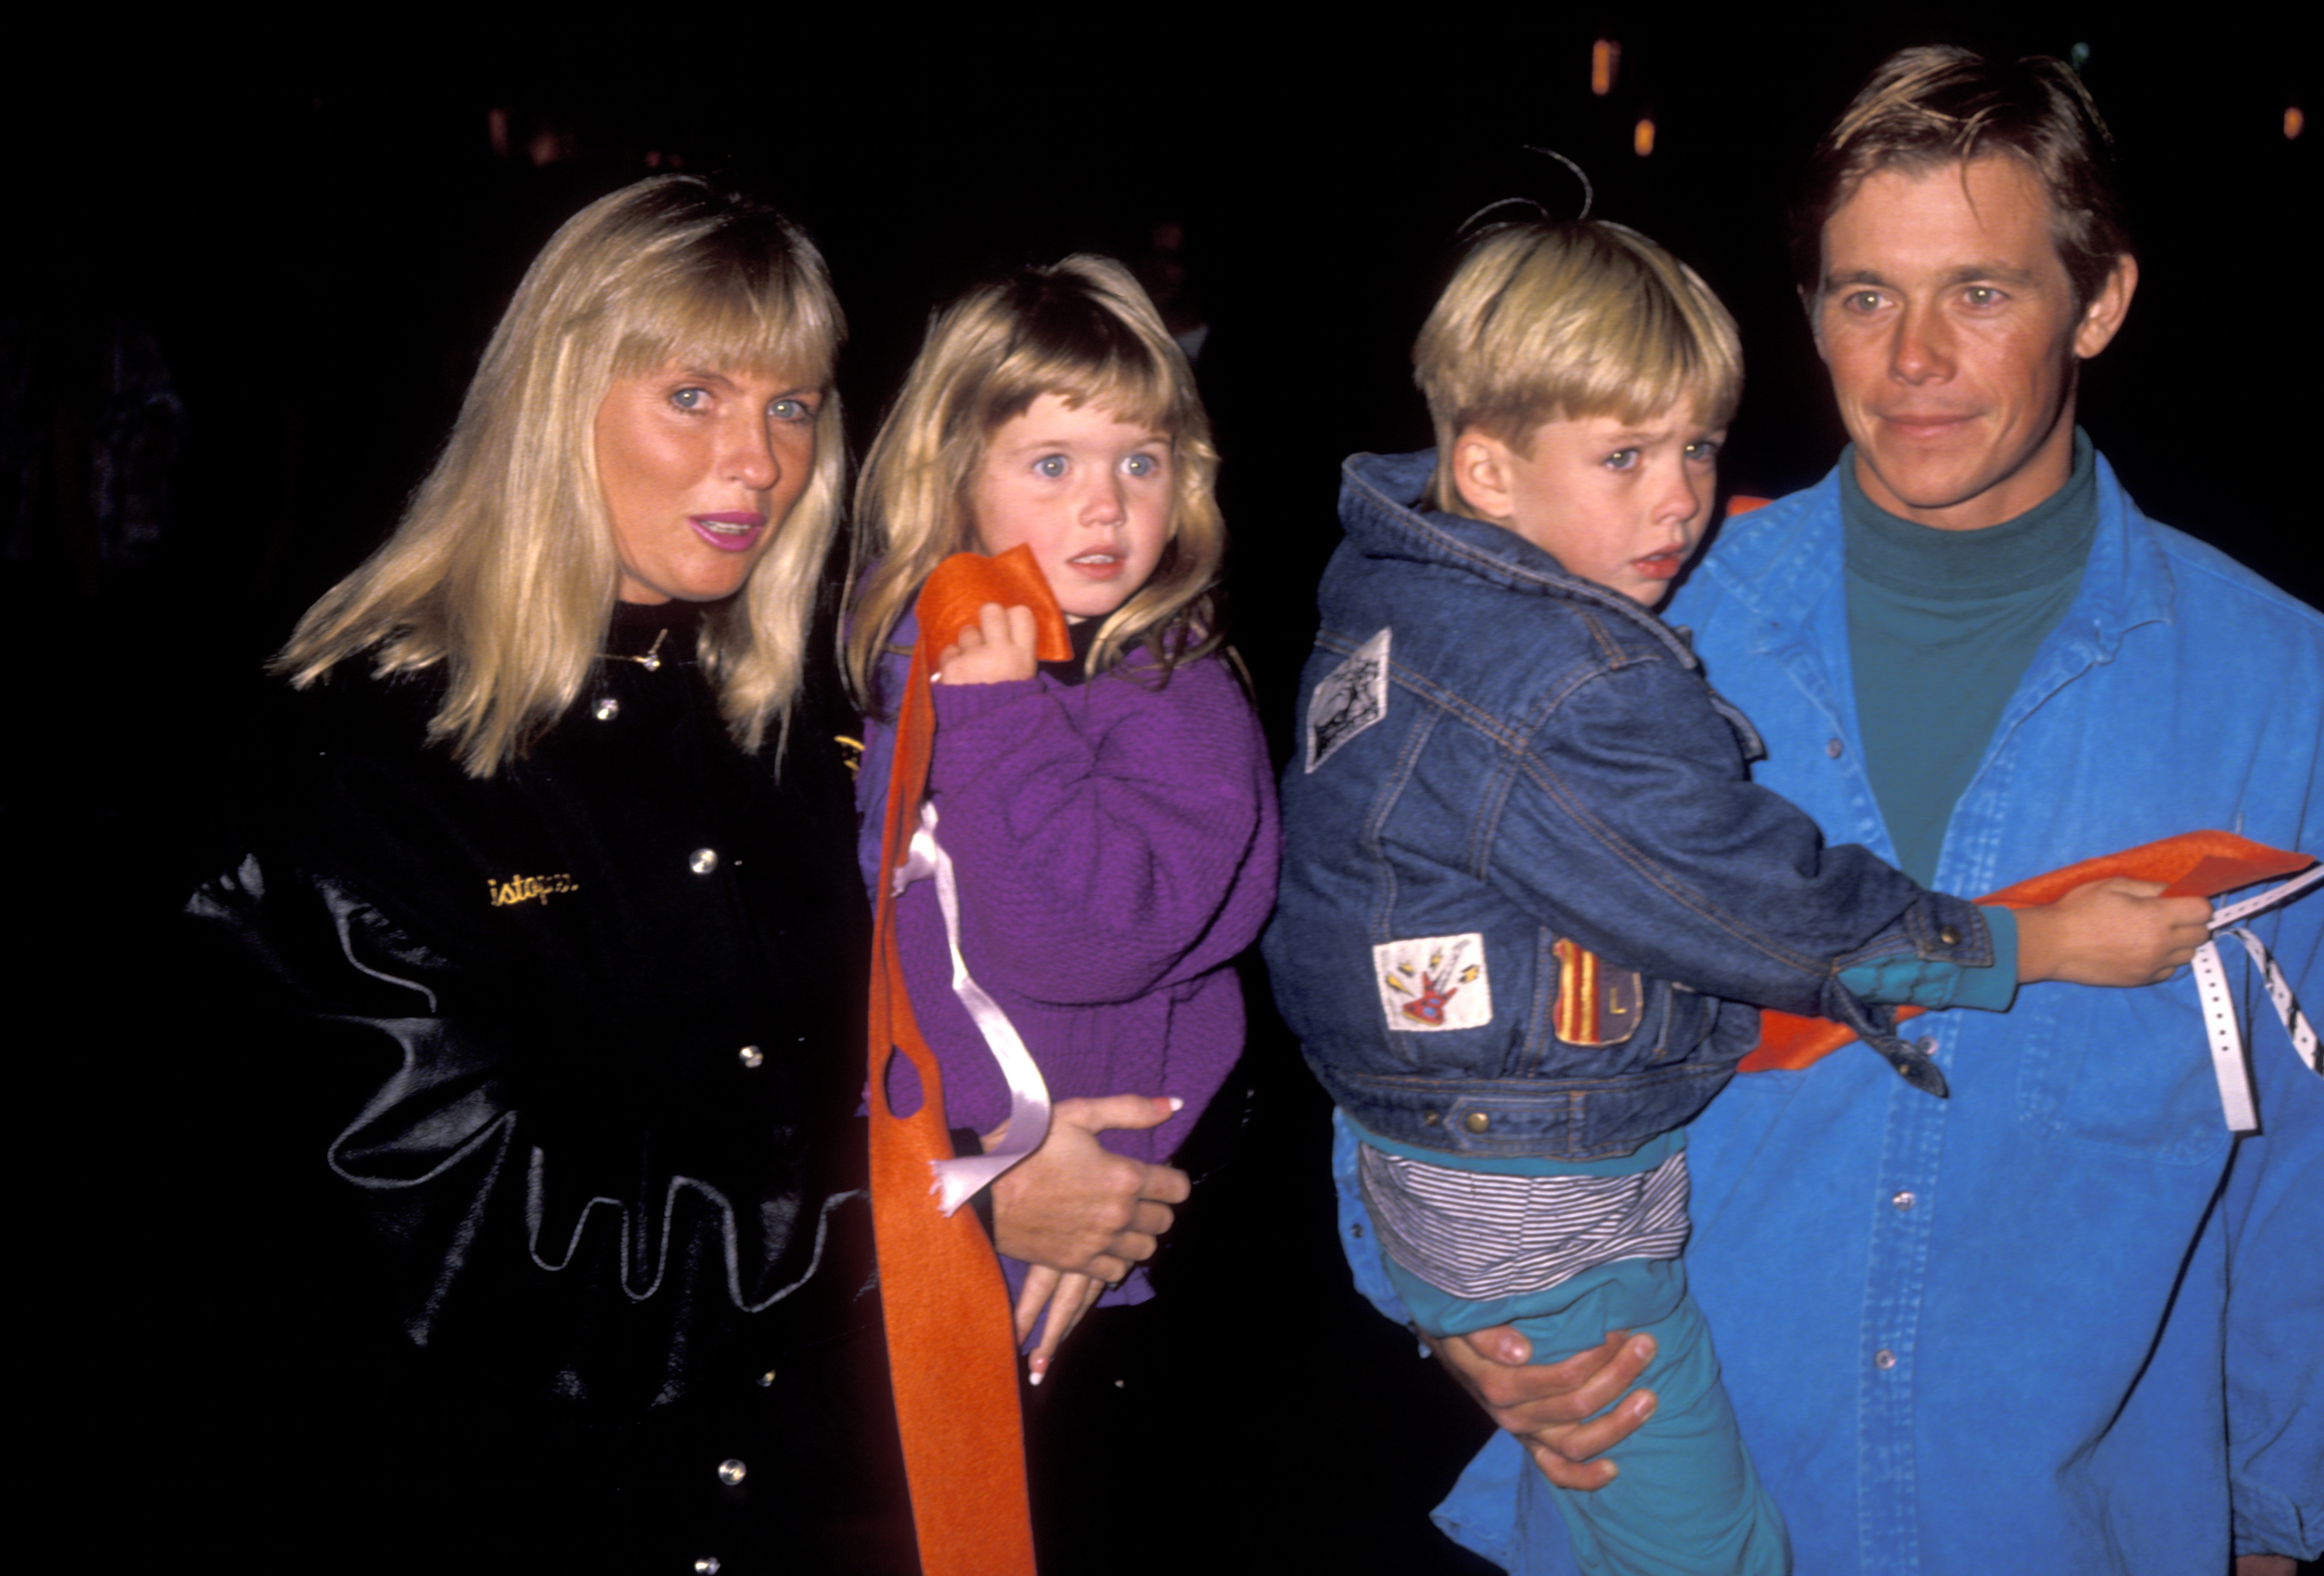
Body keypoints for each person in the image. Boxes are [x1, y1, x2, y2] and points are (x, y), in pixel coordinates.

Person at [1375, 48, 2324, 1576]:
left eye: (1984, 292)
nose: (1912, 358)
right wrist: (1454, 1303)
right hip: (1654, 1498)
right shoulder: (1634, 637)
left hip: (2068, 1532)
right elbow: (1408, 957)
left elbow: (2304, 1158)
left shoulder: (2279, 695)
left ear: (2100, 302)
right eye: (1864, 296)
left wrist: (2278, 1514)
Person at [184, 178, 1179, 1575]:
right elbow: (463, 1247)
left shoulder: (809, 722)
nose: (760, 464)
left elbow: (1132, 958)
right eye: (695, 396)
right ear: (556, 403)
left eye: (791, 406)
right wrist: (946, 1212)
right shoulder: (357, 764)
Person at [847, 256, 1280, 1379]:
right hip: (934, 1181)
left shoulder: (1175, 691)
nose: (1106, 505)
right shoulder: (915, 647)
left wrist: (995, 724)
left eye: (1141, 461)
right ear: (956, 477)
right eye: (1052, 462)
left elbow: (1079, 940)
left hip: (1087, 1202)